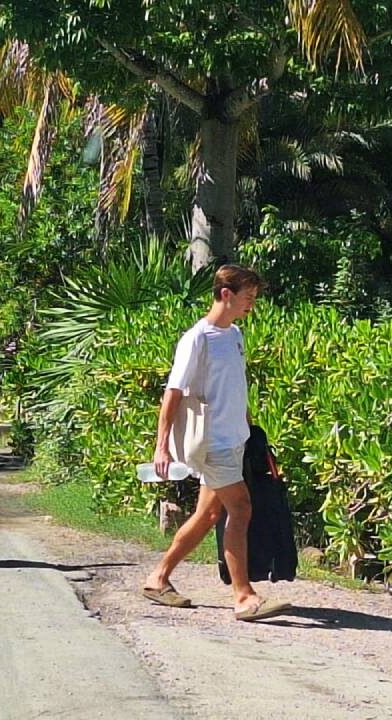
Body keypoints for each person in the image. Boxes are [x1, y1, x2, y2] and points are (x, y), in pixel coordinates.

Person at [142, 264, 291, 622]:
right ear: (226, 294)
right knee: (240, 509)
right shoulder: (198, 338)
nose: (251, 305)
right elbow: (173, 393)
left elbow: (233, 388)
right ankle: (244, 597)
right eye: (247, 297)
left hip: (234, 438)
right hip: (213, 442)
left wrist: (250, 429)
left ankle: (158, 578)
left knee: (209, 513)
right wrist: (161, 445)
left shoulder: (234, 334)